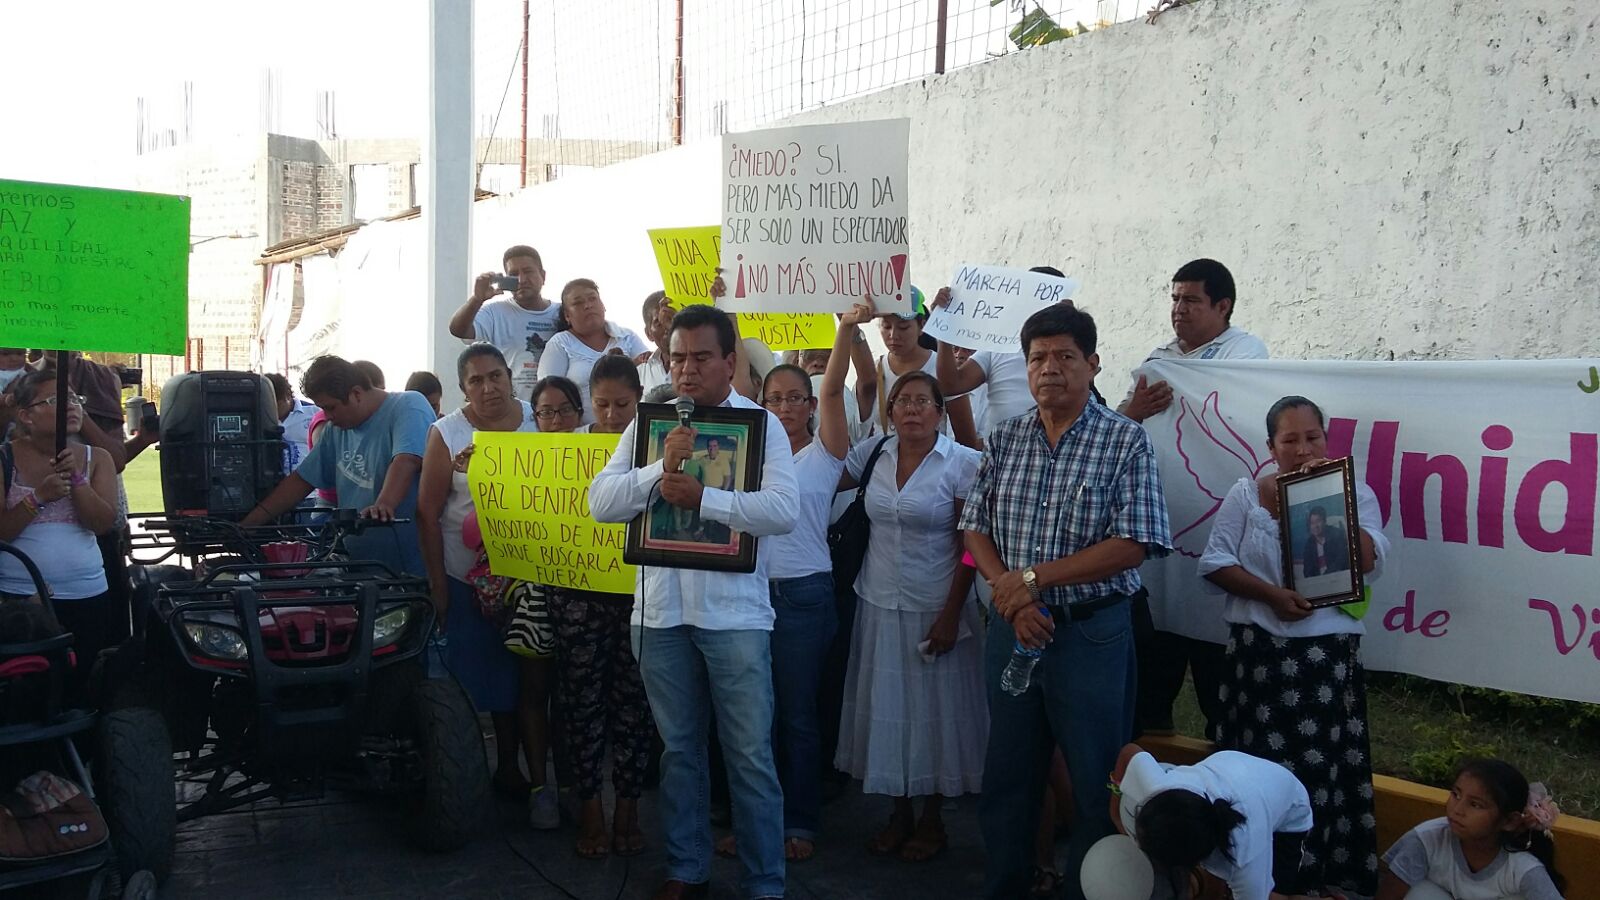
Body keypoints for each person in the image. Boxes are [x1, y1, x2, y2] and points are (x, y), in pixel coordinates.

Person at [961, 303, 1173, 900]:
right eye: (1037, 358)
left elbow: (1134, 543)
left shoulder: (1124, 440)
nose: (1049, 369)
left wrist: (1033, 580)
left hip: (1091, 635)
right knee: (1008, 774)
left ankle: (1087, 888)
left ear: (1093, 364)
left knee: (1093, 780)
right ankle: (1005, 884)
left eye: (1064, 357)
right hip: (1013, 629)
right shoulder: (1005, 438)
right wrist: (1015, 597)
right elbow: (975, 526)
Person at [590, 304, 798, 900]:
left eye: (701, 357)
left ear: (730, 362)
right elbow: (602, 502)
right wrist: (659, 469)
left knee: (750, 758)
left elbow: (783, 511)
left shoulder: (762, 426)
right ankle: (687, 868)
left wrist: (707, 499)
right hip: (658, 616)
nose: (686, 369)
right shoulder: (649, 425)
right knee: (679, 754)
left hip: (734, 617)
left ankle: (765, 882)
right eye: (677, 357)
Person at [1197, 395, 1387, 896]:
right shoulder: (1245, 494)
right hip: (1256, 659)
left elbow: (1367, 559)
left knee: (1317, 769)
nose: (1303, 450)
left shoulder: (1354, 493)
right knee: (1255, 768)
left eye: (1313, 437)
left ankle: (1311, 877)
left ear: (1326, 439)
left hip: (1323, 660)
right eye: (1290, 440)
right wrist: (1271, 597)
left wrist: (1325, 498)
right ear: (1271, 446)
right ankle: (1250, 875)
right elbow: (1213, 564)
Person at [835, 301, 986, 864]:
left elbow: (971, 546)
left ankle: (931, 820)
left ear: (941, 413)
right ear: (891, 411)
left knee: (934, 720)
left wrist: (953, 612)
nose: (913, 411)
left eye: (924, 402)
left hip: (936, 605)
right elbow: (819, 473)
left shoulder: (961, 465)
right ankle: (897, 813)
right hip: (878, 600)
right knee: (889, 713)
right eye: (904, 402)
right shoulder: (873, 454)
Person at [1121, 258, 1270, 742]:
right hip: (1162, 532)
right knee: (1149, 679)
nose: (1178, 309)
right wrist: (1132, 410)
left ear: (1222, 306)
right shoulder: (1158, 360)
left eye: (1191, 300)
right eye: (1174, 298)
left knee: (1218, 686)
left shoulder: (1246, 359)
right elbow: (1119, 432)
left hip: (1216, 531)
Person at [738, 328, 853, 863]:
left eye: (794, 398)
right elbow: (734, 377)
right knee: (751, 719)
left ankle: (800, 822)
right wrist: (727, 311)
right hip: (748, 594)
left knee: (798, 718)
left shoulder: (826, 453)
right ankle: (754, 825)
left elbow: (836, 389)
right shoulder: (748, 450)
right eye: (773, 398)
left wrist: (846, 327)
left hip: (804, 597)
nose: (784, 406)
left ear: (810, 405)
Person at [415, 344, 536, 805]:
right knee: (475, 677)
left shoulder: (538, 419)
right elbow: (427, 513)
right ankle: (473, 773)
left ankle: (521, 769)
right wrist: (439, 586)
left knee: (524, 678)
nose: (488, 388)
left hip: (530, 577)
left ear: (509, 376)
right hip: (468, 578)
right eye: (475, 381)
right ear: (463, 388)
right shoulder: (447, 433)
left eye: (495, 376)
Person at [551, 353, 654, 858]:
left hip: (639, 596)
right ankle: (591, 807)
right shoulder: (564, 449)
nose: (612, 415)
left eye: (623, 405)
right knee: (581, 705)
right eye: (603, 404)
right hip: (577, 597)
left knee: (633, 708)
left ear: (638, 400)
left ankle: (630, 809)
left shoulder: (654, 449)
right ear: (587, 403)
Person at [241, 356, 433, 578]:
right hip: (359, 565)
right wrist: (249, 524)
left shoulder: (409, 405)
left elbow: (406, 460)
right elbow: (301, 480)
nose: (327, 417)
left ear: (356, 394)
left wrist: (383, 504)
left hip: (411, 568)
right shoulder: (336, 430)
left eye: (331, 408)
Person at [0, 371, 121, 697]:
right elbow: (2, 533)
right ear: (25, 415)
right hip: (19, 601)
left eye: (74, 399)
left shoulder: (98, 459)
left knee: (76, 688)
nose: (71, 407)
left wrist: (77, 482)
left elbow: (101, 524)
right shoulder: (4, 459)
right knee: (24, 692)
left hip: (86, 597)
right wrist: (36, 498)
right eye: (56, 400)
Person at [1112, 744, 1315, 900]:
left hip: (1287, 807)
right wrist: (1115, 808)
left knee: (1276, 897)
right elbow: (1130, 752)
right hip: (1235, 772)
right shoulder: (1158, 789)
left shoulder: (1245, 862)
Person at [518, 375, 586, 829]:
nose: (556, 419)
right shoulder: (518, 458)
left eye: (564, 410)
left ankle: (571, 784)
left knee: (573, 695)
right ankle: (539, 785)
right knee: (534, 688)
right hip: (536, 590)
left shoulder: (604, 456)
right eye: (546, 411)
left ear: (580, 414)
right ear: (535, 418)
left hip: (585, 591)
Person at [1377, 758, 1565, 900]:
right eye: (1456, 794)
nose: (1457, 810)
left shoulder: (1522, 868)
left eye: (1475, 805)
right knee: (1419, 893)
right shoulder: (1427, 839)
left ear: (1509, 821)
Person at [449, 244, 561, 400]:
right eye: (514, 274)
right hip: (513, 412)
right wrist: (477, 299)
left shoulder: (563, 312)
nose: (522, 280)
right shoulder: (495, 312)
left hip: (555, 412)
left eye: (528, 271)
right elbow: (458, 330)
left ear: (543, 275)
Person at [537, 279, 649, 422]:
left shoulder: (627, 337)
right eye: (578, 303)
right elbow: (548, 394)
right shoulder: (560, 344)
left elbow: (650, 372)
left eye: (592, 299)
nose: (588, 306)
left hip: (630, 432)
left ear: (603, 305)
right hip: (582, 438)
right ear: (567, 315)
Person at [267, 372, 316, 475]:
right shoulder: (261, 418)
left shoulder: (314, 413)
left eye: (277, 405)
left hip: (310, 484)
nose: (273, 409)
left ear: (287, 396)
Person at [638, 291, 676, 396]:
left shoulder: (700, 369)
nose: (668, 327)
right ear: (648, 333)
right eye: (659, 323)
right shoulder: (640, 375)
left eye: (671, 319)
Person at [1301, 507, 1350, 576]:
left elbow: (1341, 560)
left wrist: (1327, 575)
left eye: (1318, 521)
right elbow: (1307, 571)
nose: (1315, 526)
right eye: (1312, 523)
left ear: (1324, 521)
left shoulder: (1337, 535)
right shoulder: (1309, 544)